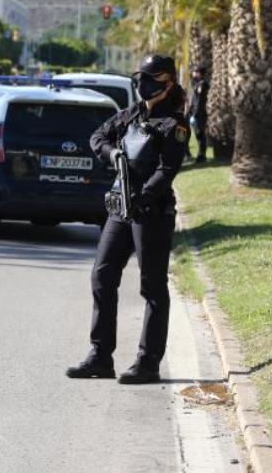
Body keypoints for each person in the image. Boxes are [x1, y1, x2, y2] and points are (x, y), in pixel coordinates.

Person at [66, 55, 190, 384]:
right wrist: (113, 154)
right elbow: (98, 137)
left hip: (151, 212)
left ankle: (147, 363)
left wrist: (144, 197)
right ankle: (100, 356)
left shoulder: (174, 125)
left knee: (152, 287)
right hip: (120, 209)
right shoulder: (134, 113)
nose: (142, 84)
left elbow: (167, 170)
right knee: (102, 276)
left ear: (168, 83)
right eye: (139, 77)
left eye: (150, 78)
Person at [188, 67, 209, 162]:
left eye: (195, 72)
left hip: (199, 113)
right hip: (195, 112)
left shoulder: (202, 84)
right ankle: (199, 154)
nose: (193, 74)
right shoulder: (197, 84)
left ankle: (201, 155)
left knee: (200, 134)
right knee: (198, 134)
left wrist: (195, 113)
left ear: (200, 73)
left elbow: (200, 100)